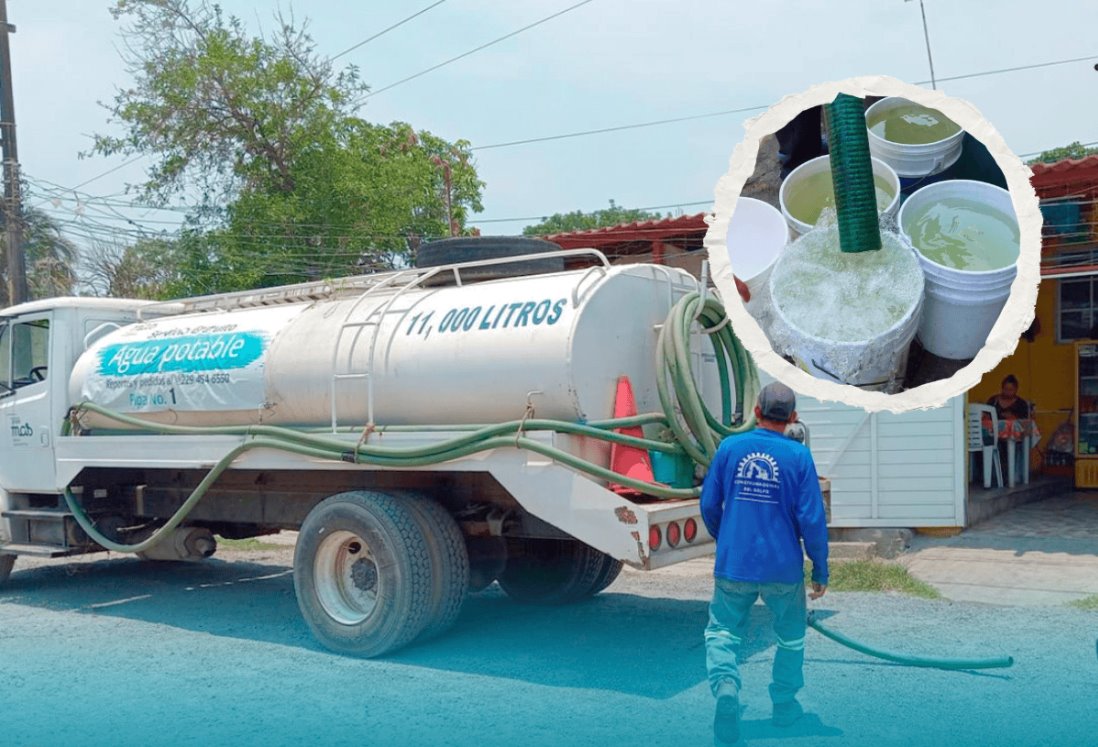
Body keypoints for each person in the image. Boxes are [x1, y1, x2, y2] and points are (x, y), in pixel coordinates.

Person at [700, 382, 829, 744]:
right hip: (783, 568)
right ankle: (785, 707)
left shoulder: (729, 448)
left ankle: (726, 685)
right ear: (793, 418)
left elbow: (709, 504)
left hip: (734, 564)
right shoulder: (799, 457)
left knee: (723, 632)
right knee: (790, 639)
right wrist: (820, 568)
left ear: (756, 411)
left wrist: (725, 536)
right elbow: (812, 519)